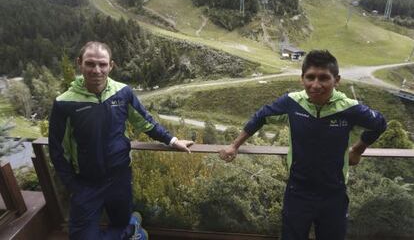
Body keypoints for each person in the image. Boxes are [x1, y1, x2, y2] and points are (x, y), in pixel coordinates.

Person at [219, 50, 387, 240]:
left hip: (334, 193)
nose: (316, 85)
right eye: (310, 77)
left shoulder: (348, 107)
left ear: (336, 80)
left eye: (324, 78)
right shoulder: (292, 102)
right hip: (298, 191)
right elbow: (261, 116)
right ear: (302, 79)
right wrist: (234, 145)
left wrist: (357, 149)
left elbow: (379, 123)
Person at [49, 41, 193, 240]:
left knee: (120, 222)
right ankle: (133, 230)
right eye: (90, 64)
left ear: (111, 66)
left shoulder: (122, 92)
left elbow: (145, 121)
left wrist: (172, 140)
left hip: (120, 178)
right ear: (79, 63)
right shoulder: (64, 103)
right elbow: (57, 150)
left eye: (102, 64)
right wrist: (73, 185)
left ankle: (130, 227)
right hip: (85, 184)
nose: (96, 70)